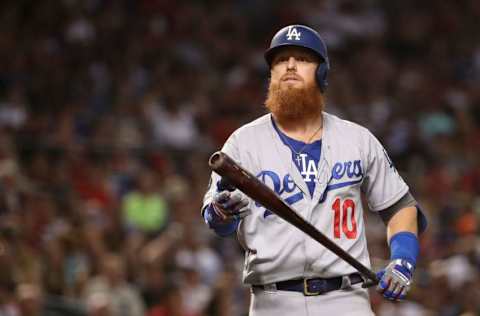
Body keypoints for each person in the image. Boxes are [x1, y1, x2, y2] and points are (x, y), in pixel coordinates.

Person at [201, 24, 427, 315]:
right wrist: (223, 213)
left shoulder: (357, 139)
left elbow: (399, 206)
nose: (291, 65)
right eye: (281, 60)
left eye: (303, 59)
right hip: (273, 300)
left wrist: (403, 260)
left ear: (322, 74)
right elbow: (217, 220)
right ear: (271, 75)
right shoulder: (243, 142)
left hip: (346, 299)